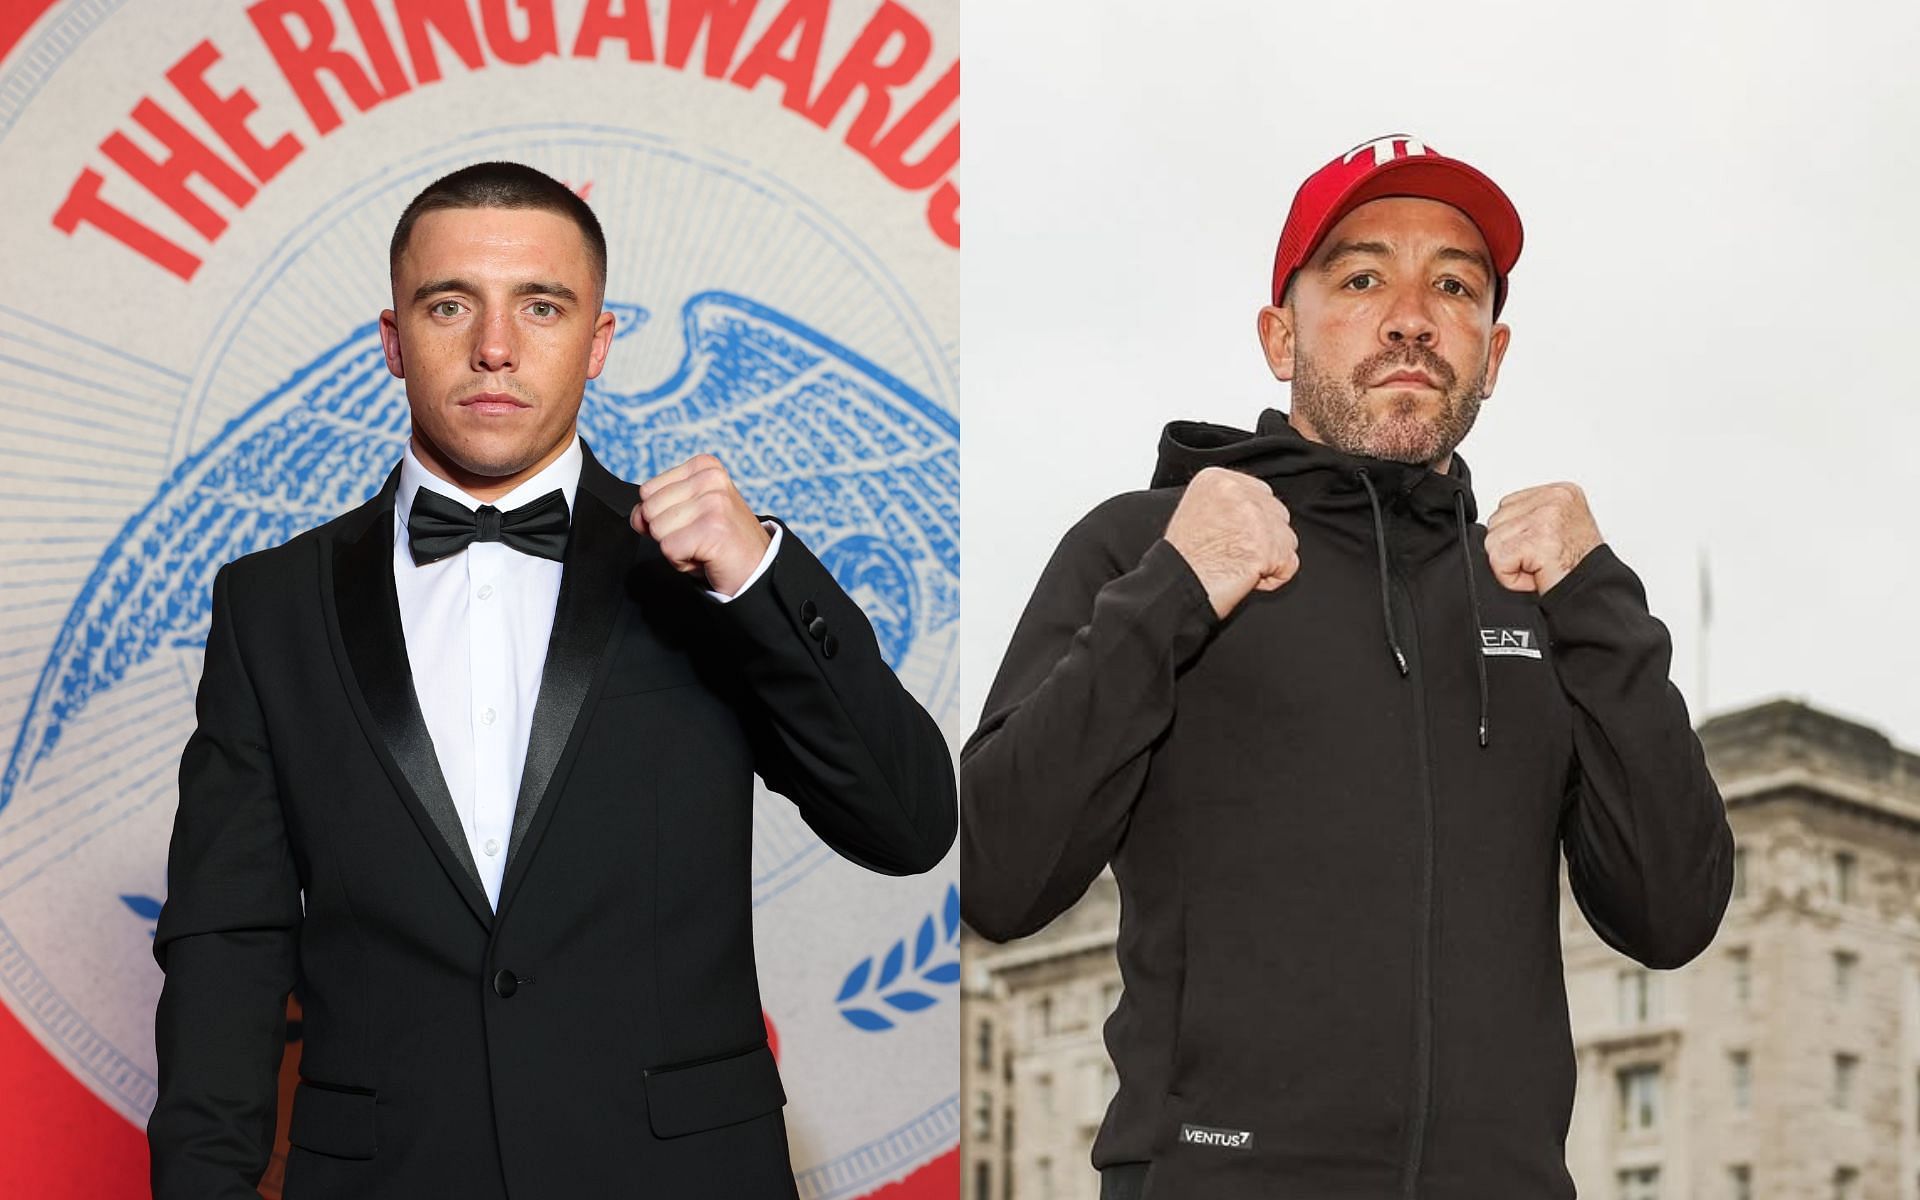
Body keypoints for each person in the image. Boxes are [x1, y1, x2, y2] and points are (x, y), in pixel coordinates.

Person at [148, 161, 956, 1199]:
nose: (494, 348)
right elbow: (229, 942)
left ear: (600, 341)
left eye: (541, 305)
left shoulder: (709, 575)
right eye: (451, 305)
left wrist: (759, 577)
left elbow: (909, 822)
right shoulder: (269, 606)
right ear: (392, 342)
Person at [960, 134, 1734, 1199]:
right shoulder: (1145, 547)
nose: (1412, 315)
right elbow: (995, 872)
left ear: (1492, 354)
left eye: (1453, 286)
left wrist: (1599, 600)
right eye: (1363, 276)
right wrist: (1177, 590)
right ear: (1281, 336)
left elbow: (1673, 913)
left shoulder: (1541, 588)